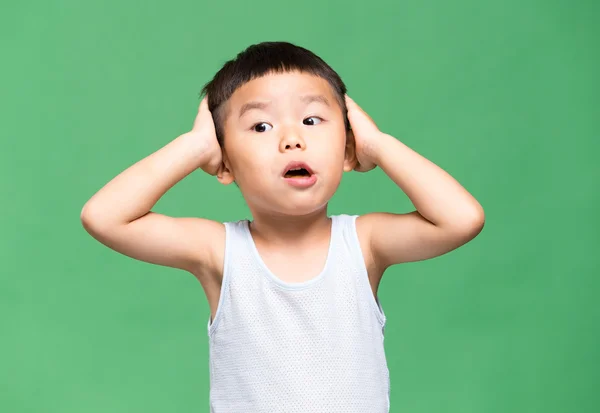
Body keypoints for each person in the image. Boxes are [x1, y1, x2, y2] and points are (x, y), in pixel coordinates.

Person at [81, 41, 485, 412]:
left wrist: (376, 143)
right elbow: (104, 217)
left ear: (347, 146)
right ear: (224, 162)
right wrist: (196, 146)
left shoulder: (363, 244)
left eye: (312, 119)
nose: (292, 139)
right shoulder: (220, 251)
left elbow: (461, 219)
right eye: (261, 126)